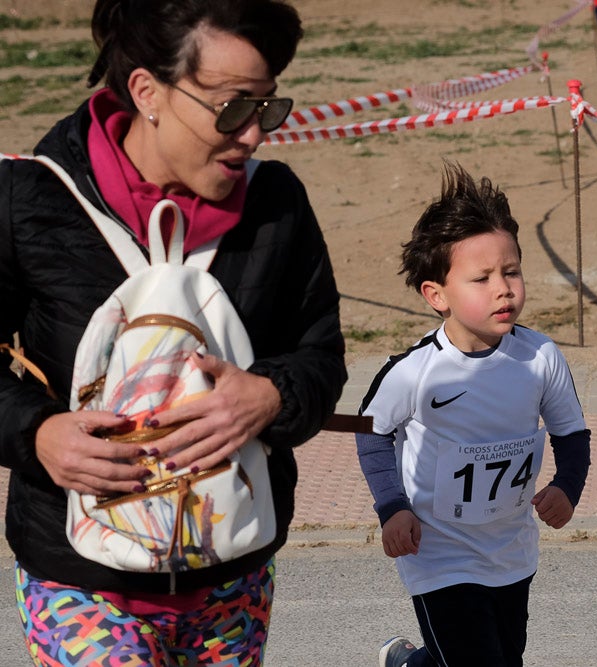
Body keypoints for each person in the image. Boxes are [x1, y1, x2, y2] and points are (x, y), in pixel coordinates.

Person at [0, 0, 348, 664]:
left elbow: (320, 356)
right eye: (232, 107)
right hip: (80, 575)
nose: (252, 136)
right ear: (147, 92)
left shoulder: (276, 206)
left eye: (267, 107)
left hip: (231, 577)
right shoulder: (29, 202)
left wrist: (271, 396)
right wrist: (37, 432)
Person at [355, 163, 592, 667]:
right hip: (438, 555)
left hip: (510, 550)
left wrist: (567, 485)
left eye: (511, 272)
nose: (503, 288)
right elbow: (371, 434)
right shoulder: (414, 372)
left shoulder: (540, 358)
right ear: (436, 295)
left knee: (500, 657)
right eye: (481, 278)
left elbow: (572, 433)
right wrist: (392, 507)